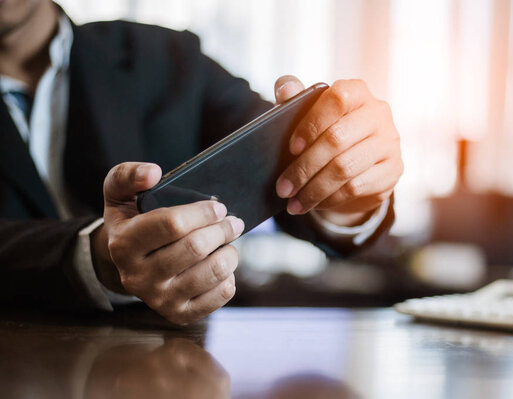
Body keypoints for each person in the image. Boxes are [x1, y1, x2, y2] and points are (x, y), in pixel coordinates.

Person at [0, 0, 403, 324]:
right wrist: (93, 260)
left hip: (178, 373)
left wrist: (346, 186)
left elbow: (288, 163)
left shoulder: (172, 60)